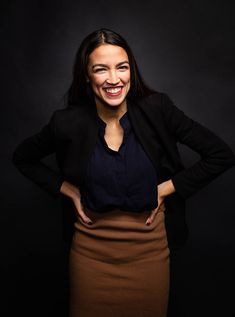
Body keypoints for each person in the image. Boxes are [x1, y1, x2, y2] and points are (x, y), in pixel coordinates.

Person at [12, 28, 235, 317]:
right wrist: (65, 187)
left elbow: (222, 154)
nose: (114, 79)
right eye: (101, 69)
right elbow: (23, 157)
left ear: (132, 70)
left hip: (150, 258)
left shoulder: (158, 109)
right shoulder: (66, 122)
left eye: (122, 67)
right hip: (90, 260)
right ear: (87, 76)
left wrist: (167, 188)